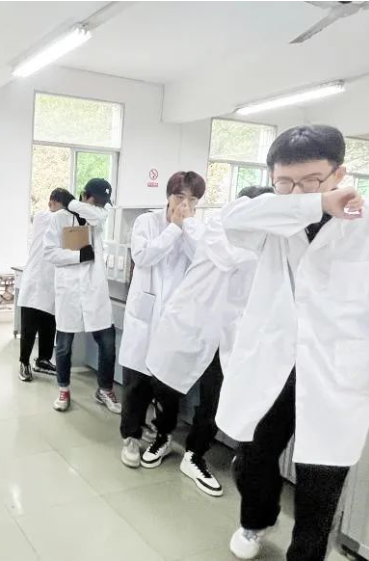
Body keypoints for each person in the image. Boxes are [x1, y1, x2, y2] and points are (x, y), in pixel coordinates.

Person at [217, 125, 367, 561]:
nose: (295, 191)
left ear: (339, 174)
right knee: (254, 455)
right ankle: (256, 520)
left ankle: (306, 554)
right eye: (285, 182)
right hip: (275, 362)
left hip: (335, 368)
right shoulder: (273, 218)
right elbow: (231, 221)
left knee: (321, 477)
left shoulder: (364, 226)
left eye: (312, 180)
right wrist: (314, 201)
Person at [143, 186, 275, 497]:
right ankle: (163, 437)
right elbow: (230, 256)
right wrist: (187, 220)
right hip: (189, 324)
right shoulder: (217, 229)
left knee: (214, 399)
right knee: (166, 386)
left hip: (227, 334)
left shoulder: (267, 244)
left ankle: (194, 455)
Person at [118, 171, 206, 468]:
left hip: (174, 320)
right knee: (136, 383)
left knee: (167, 386)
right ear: (168, 196)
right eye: (179, 197)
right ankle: (131, 436)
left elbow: (201, 260)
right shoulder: (147, 222)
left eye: (192, 199)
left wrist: (187, 228)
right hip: (145, 316)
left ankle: (163, 435)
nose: (184, 204)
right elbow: (143, 256)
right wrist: (174, 229)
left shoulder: (196, 229)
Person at [43, 178, 121, 414]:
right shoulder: (59, 219)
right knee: (64, 346)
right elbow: (50, 253)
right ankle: (64, 389)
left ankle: (104, 389)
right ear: (86, 195)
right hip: (69, 291)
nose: (100, 206)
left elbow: (97, 215)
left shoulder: (97, 217)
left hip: (94, 291)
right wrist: (78, 257)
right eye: (96, 201)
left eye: (103, 203)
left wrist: (72, 203)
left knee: (107, 342)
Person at [17, 188, 72, 382]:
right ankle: (24, 362)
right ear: (52, 203)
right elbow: (63, 219)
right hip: (35, 280)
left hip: (52, 283)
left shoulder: (64, 222)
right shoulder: (43, 217)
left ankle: (43, 360)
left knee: (49, 325)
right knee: (29, 328)